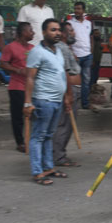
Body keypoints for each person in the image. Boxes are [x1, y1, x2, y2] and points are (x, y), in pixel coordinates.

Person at [23, 19, 71, 186]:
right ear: (44, 32)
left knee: (49, 135)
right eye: (53, 30)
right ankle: (37, 172)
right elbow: (30, 77)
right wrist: (27, 103)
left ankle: (48, 167)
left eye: (58, 30)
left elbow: (61, 75)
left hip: (57, 101)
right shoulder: (37, 52)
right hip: (43, 100)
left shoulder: (57, 51)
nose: (57, 33)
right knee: (38, 136)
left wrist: (65, 98)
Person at [0, 22, 35, 152]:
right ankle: (20, 142)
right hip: (17, 86)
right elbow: (2, 64)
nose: (33, 33)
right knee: (18, 116)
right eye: (30, 30)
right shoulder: (11, 47)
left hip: (31, 87)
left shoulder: (33, 47)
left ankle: (31, 139)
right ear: (23, 32)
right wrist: (18, 70)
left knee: (32, 114)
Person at [52, 22, 83, 168]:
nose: (74, 33)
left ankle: (59, 154)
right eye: (70, 31)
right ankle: (58, 156)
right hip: (68, 90)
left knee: (67, 125)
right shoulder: (62, 48)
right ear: (64, 34)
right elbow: (63, 73)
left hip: (72, 90)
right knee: (63, 125)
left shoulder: (66, 48)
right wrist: (68, 95)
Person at [69, 2, 93, 109]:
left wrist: (91, 51)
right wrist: (72, 53)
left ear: (83, 10)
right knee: (74, 81)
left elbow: (91, 37)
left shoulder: (88, 23)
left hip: (87, 55)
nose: (76, 11)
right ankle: (72, 102)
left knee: (86, 81)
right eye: (75, 8)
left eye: (79, 9)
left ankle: (85, 103)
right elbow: (67, 40)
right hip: (76, 56)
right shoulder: (70, 23)